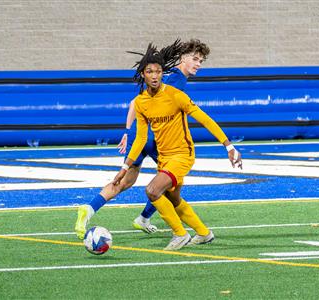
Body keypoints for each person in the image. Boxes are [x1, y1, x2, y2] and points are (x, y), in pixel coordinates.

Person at [111, 40, 242, 250]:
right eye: (150, 71)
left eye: (158, 71)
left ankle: (180, 234)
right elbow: (142, 139)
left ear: (163, 73)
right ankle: (204, 233)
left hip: (182, 155)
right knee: (173, 198)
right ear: (143, 75)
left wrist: (228, 146)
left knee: (153, 191)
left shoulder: (175, 95)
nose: (154, 75)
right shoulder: (142, 102)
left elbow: (205, 119)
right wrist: (125, 167)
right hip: (164, 157)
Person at [74, 39, 211, 240]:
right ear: (182, 58)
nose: (198, 64)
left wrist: (128, 131)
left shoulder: (165, 76)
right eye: (195, 59)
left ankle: (90, 208)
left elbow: (135, 103)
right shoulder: (175, 80)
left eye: (201, 60)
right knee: (169, 183)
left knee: (126, 181)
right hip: (155, 138)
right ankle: (154, 222)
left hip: (139, 135)